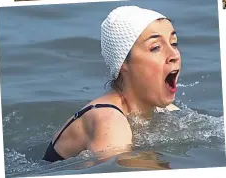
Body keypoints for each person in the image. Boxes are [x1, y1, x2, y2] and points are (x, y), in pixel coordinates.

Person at [43, 5, 181, 162]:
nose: (174, 55)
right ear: (123, 63)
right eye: (156, 47)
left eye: (174, 43)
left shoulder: (163, 110)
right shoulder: (110, 123)